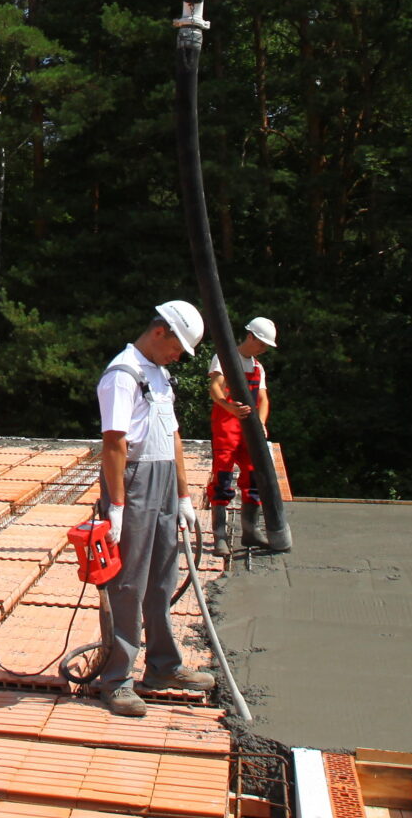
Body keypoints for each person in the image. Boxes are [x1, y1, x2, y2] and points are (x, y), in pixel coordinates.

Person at [88, 300, 212, 717]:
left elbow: (173, 437)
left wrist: (183, 495)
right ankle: (117, 680)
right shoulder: (121, 376)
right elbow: (114, 444)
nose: (179, 356)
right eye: (178, 347)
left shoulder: (159, 374)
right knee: (129, 583)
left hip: (161, 482)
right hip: (135, 482)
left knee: (162, 577)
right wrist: (118, 506)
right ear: (160, 332)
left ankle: (163, 667)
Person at [206, 317, 277, 550]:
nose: (263, 349)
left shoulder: (258, 367)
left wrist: (262, 424)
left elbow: (263, 399)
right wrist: (228, 406)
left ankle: (250, 531)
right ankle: (220, 537)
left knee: (253, 477)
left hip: (250, 431)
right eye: (261, 344)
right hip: (226, 428)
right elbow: (215, 387)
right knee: (223, 479)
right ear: (250, 336)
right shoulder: (225, 358)